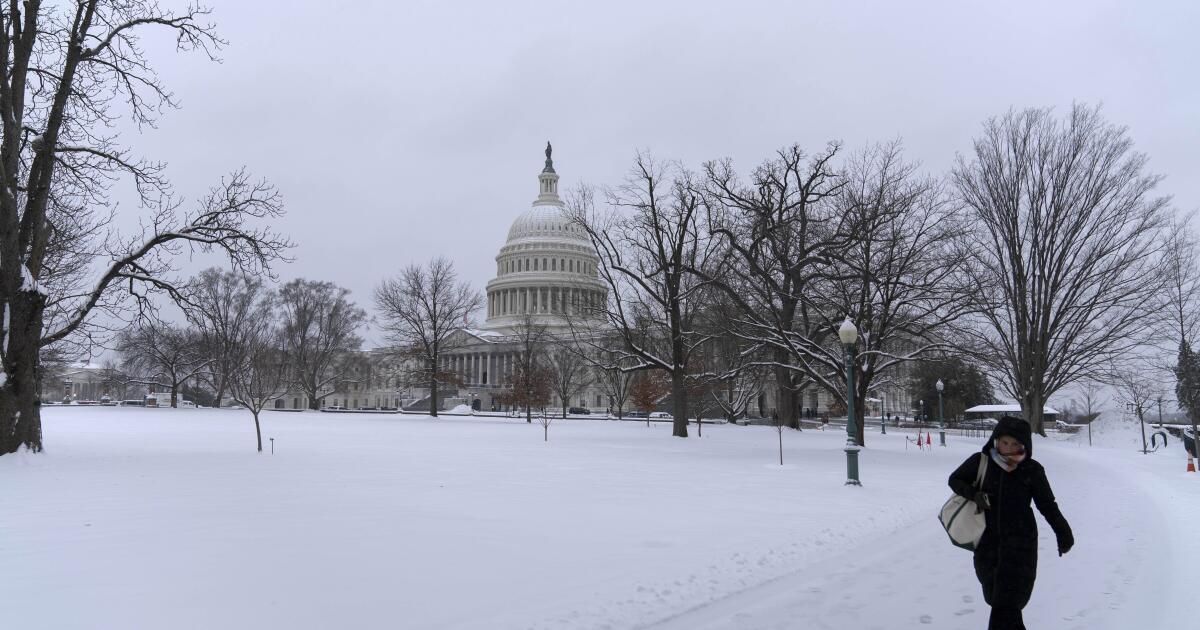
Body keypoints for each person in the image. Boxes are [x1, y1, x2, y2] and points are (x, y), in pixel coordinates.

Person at [948, 416, 1074, 630]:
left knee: (1007, 603)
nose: (1008, 448)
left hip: (1021, 543)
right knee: (998, 600)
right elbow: (955, 479)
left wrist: (1063, 532)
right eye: (1005, 442)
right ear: (996, 440)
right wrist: (974, 494)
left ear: (1025, 445)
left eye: (1015, 444)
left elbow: (1047, 504)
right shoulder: (981, 461)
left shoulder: (1032, 470)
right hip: (988, 543)